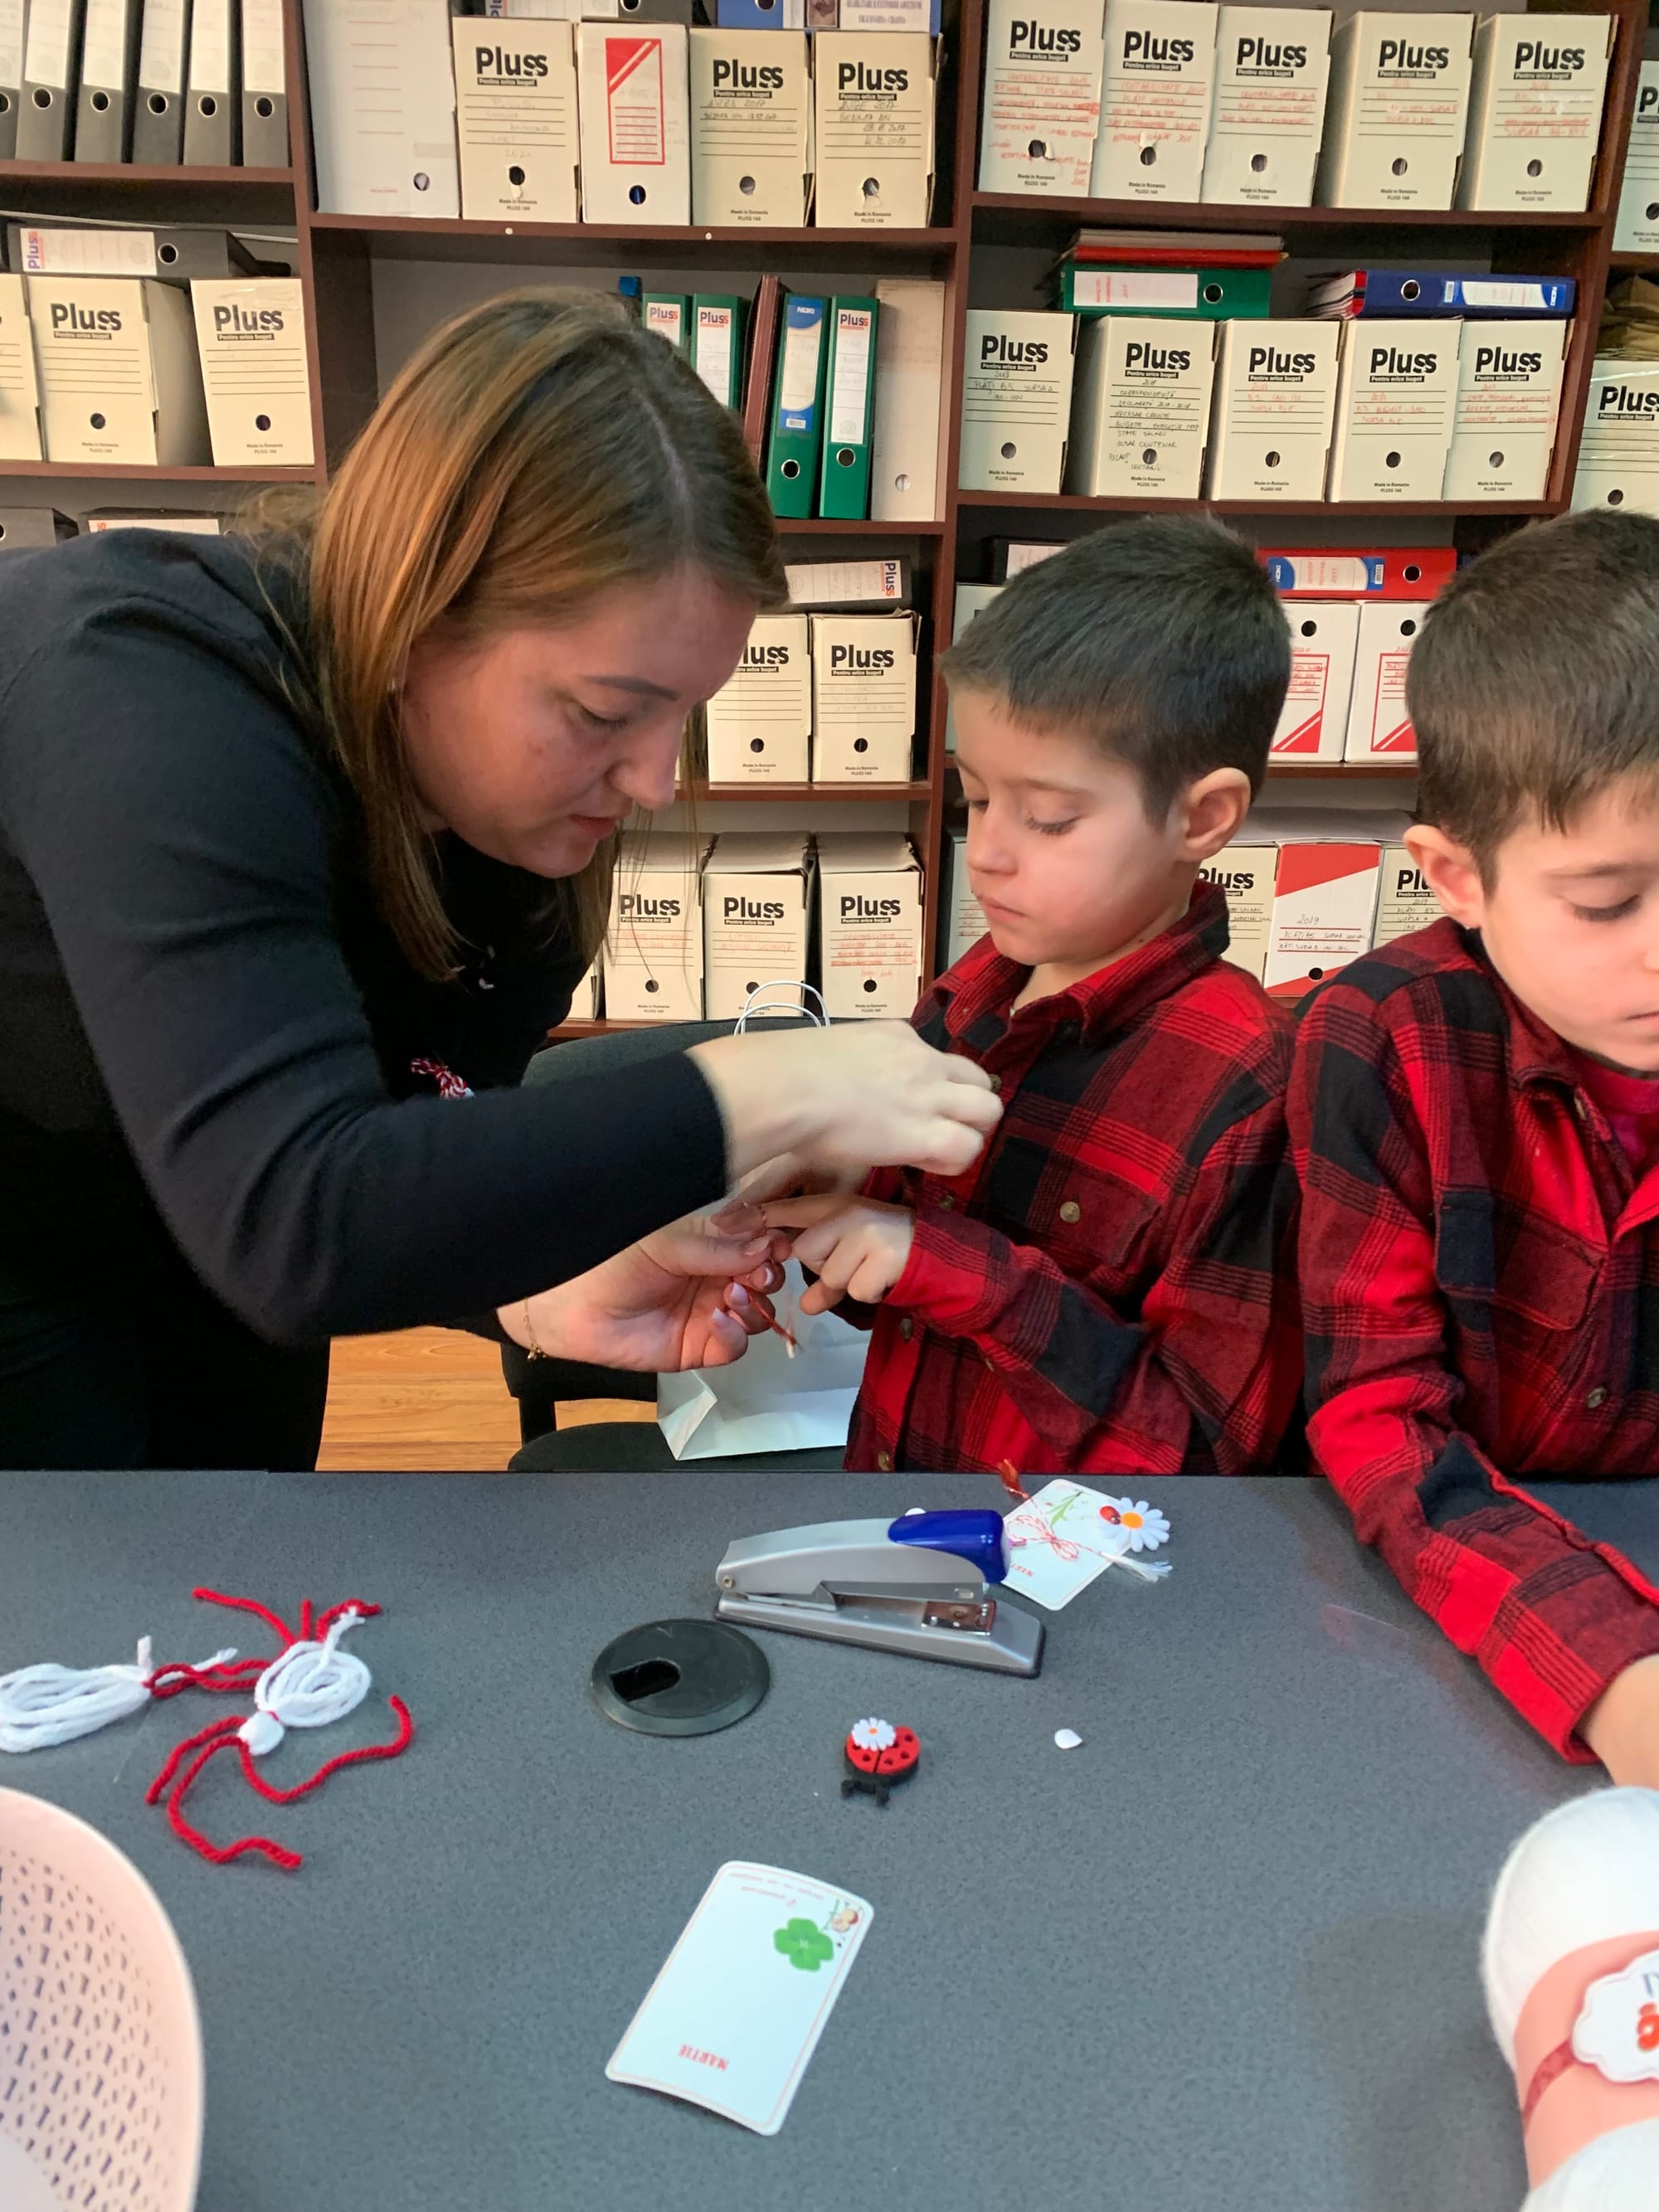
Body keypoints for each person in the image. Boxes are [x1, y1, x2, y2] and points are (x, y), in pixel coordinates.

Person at [0, 291, 999, 1472]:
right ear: (418, 615)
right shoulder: (147, 693)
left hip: (192, 1221)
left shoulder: (515, 844)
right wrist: (763, 1088)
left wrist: (529, 1295)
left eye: (684, 714)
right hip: (25, 1207)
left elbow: (405, 1141)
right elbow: (294, 1221)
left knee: (230, 1537)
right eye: (605, 712)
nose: (655, 781)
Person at [762, 518, 1303, 1475]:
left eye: (1048, 818)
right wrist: (824, 1202)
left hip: (1064, 1550)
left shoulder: (1250, 1093)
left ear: (1201, 817)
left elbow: (1204, 1453)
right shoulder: (974, 992)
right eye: (976, 798)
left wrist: (953, 1270)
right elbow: (888, 1276)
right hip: (898, 1494)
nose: (988, 854)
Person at [1290, 508, 1659, 1787]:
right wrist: (1613, 1672)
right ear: (1457, 877)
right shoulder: (1386, 1038)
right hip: (1445, 1612)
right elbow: (1378, 1416)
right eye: (1608, 901)